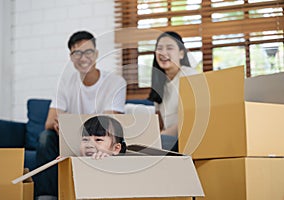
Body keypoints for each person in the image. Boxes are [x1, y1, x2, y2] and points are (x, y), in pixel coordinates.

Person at [35, 31, 126, 200]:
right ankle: (48, 196)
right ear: (71, 57)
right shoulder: (65, 83)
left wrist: (69, 120)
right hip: (69, 139)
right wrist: (62, 125)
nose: (83, 57)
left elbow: (108, 124)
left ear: (97, 54)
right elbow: (49, 122)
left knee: (108, 139)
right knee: (44, 137)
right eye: (77, 52)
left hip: (101, 141)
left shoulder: (115, 82)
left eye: (88, 51)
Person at [148, 31, 199, 152]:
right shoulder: (160, 84)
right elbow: (159, 124)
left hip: (187, 137)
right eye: (159, 49)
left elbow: (190, 120)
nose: (163, 53)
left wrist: (159, 139)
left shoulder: (189, 75)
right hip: (170, 139)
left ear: (181, 54)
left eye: (169, 48)